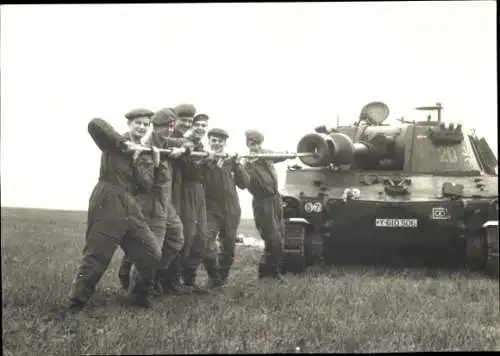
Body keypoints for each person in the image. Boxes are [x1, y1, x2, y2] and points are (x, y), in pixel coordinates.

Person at [65, 109, 163, 314]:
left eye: (146, 124)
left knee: (151, 253)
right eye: (138, 123)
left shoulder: (143, 151)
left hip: (130, 205)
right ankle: (75, 305)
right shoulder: (113, 142)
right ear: (129, 124)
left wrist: (154, 163)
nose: (143, 127)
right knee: (97, 256)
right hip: (107, 200)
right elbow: (95, 123)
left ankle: (139, 296)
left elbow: (145, 186)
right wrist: (123, 144)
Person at [118, 108, 186, 296]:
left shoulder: (166, 143)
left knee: (176, 238)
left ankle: (151, 277)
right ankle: (138, 292)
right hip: (150, 206)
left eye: (172, 126)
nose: (170, 130)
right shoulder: (147, 148)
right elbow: (146, 184)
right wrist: (156, 162)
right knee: (150, 251)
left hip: (166, 205)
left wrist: (182, 149)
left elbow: (185, 141)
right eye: (166, 127)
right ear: (155, 127)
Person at [201, 128, 249, 288]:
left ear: (225, 143)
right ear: (209, 142)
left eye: (220, 141)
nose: (217, 143)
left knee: (228, 244)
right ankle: (214, 275)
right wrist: (208, 162)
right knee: (206, 243)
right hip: (210, 209)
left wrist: (238, 165)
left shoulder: (231, 161)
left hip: (231, 208)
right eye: (214, 140)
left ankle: (222, 279)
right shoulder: (203, 159)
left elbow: (244, 184)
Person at [175, 112, 213, 293]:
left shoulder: (201, 145)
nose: (200, 128)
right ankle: (175, 280)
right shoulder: (183, 142)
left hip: (199, 191)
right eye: (197, 124)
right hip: (185, 191)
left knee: (201, 237)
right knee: (187, 235)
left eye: (204, 126)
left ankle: (189, 279)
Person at [242, 129, 287, 282]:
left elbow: (280, 157)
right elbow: (246, 184)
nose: (256, 147)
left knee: (281, 235)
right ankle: (266, 273)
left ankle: (273, 271)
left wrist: (287, 154)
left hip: (276, 199)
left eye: (258, 144)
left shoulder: (266, 155)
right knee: (272, 238)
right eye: (252, 144)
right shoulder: (247, 164)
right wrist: (247, 163)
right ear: (247, 144)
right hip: (262, 203)